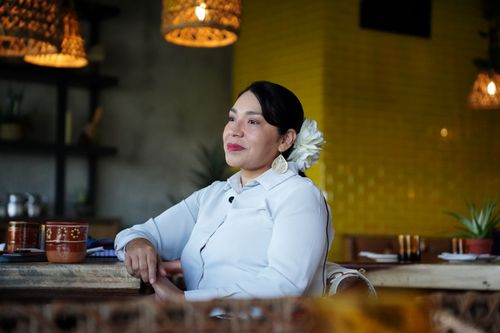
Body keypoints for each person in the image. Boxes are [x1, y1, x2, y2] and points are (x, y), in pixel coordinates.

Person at [114, 81, 333, 302]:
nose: (234, 131)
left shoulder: (298, 195)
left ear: (285, 139)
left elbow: (284, 286)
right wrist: (138, 243)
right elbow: (139, 234)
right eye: (231, 118)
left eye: (252, 121)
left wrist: (185, 301)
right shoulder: (213, 195)